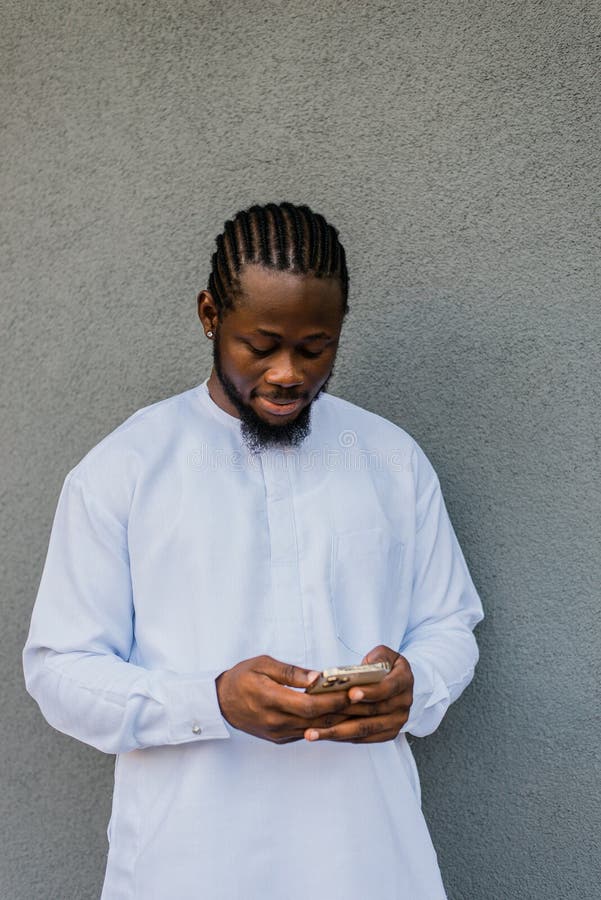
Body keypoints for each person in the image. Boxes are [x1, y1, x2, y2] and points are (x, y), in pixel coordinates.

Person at [23, 202, 484, 900]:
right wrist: (209, 701)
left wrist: (414, 685)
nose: (286, 374)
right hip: (187, 868)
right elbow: (59, 672)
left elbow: (451, 624)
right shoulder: (125, 469)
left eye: (313, 347)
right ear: (210, 316)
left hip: (370, 863)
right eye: (260, 345)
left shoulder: (390, 458)